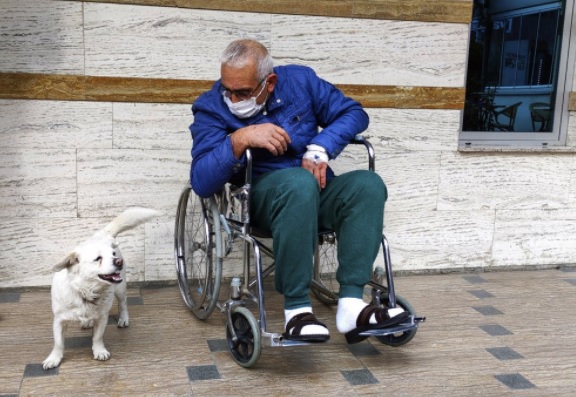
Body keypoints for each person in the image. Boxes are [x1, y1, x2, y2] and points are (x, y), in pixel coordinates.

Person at [189, 39, 407, 344]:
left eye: (243, 92)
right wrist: (239, 139)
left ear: (270, 82)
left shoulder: (300, 82)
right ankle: (297, 311)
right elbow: (201, 181)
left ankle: (351, 305)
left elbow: (354, 113)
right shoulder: (211, 106)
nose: (233, 98)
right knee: (297, 183)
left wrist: (322, 147)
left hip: (316, 189)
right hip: (261, 198)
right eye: (228, 89)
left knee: (368, 185)